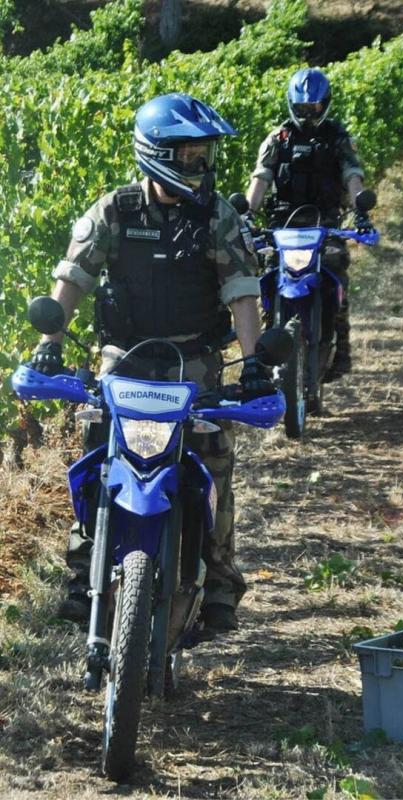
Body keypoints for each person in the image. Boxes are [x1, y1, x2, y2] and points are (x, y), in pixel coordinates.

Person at [30, 92, 274, 634]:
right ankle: (82, 574)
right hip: (125, 357)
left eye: (205, 155)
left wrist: (253, 361)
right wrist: (51, 340)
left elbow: (241, 294)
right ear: (157, 153)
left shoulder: (219, 217)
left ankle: (219, 586)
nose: (202, 166)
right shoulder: (114, 210)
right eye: (190, 156)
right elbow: (73, 277)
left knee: (214, 459)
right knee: (98, 455)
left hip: (195, 360)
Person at [245, 67, 372, 381]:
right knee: (269, 278)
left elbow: (352, 175)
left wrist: (361, 208)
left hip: (325, 223)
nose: (308, 114)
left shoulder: (339, 137)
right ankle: (264, 355)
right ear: (291, 104)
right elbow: (260, 179)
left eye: (314, 107)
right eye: (302, 108)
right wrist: (247, 212)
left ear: (325, 104)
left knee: (335, 274)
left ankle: (341, 348)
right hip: (282, 225)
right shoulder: (278, 138)